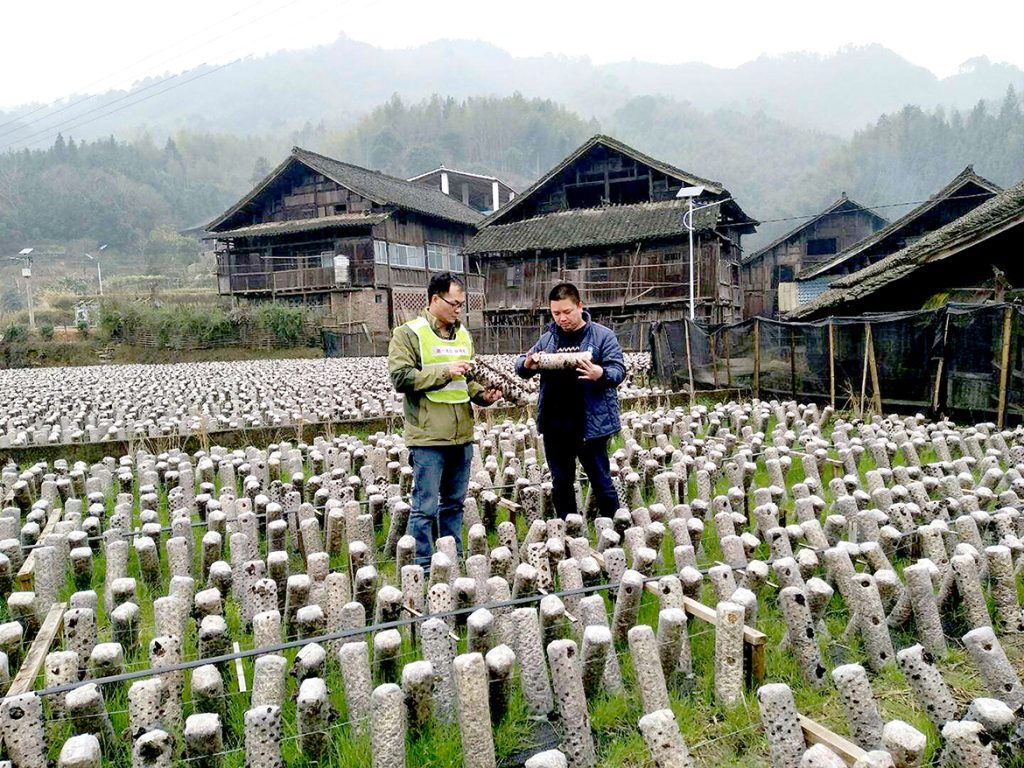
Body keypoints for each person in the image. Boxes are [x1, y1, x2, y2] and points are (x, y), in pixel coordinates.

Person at [389, 271, 502, 571]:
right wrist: (445, 372)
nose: (458, 309)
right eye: (453, 303)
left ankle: (453, 559)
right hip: (427, 438)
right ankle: (424, 566)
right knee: (424, 507)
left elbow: (469, 382)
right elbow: (400, 378)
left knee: (454, 504)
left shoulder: (464, 335)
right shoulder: (408, 334)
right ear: (435, 299)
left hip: (462, 436)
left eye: (461, 304)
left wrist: (484, 396)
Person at [516, 282, 624, 519]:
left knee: (600, 480)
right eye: (556, 313)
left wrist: (601, 374)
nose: (562, 318)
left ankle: (617, 529)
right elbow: (522, 367)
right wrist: (527, 363)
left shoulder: (602, 336)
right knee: (561, 482)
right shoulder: (547, 339)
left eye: (567, 312)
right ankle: (569, 533)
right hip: (555, 426)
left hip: (589, 425)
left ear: (579, 306)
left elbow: (618, 370)